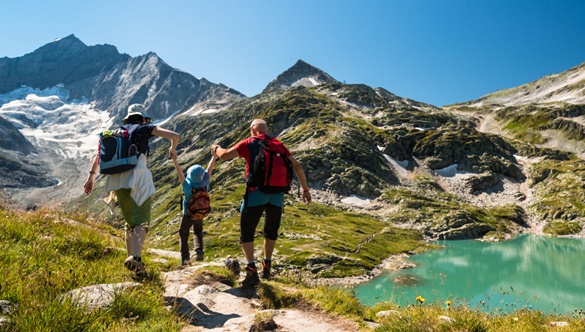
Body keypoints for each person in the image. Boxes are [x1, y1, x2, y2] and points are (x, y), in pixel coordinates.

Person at [211, 118, 311, 286]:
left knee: (247, 232)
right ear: (266, 130)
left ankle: (251, 271)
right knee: (271, 231)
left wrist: (216, 148)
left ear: (252, 130)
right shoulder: (279, 145)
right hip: (277, 195)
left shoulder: (250, 142)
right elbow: (297, 166)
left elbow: (226, 156)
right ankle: (267, 266)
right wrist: (305, 189)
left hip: (256, 193)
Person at [83, 104, 179, 277]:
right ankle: (136, 258)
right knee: (141, 221)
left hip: (117, 179)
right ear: (142, 118)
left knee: (129, 221)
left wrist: (91, 178)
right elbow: (174, 135)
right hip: (138, 177)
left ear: (127, 118)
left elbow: (99, 156)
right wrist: (172, 148)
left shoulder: (115, 133)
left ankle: (131, 258)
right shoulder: (144, 128)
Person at [171, 150, 217, 265]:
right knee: (198, 230)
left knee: (183, 233)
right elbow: (209, 170)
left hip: (188, 214)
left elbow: (180, 174)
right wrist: (214, 157)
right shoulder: (205, 184)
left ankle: (185, 258)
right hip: (200, 213)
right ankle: (199, 250)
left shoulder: (187, 187)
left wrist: (175, 160)